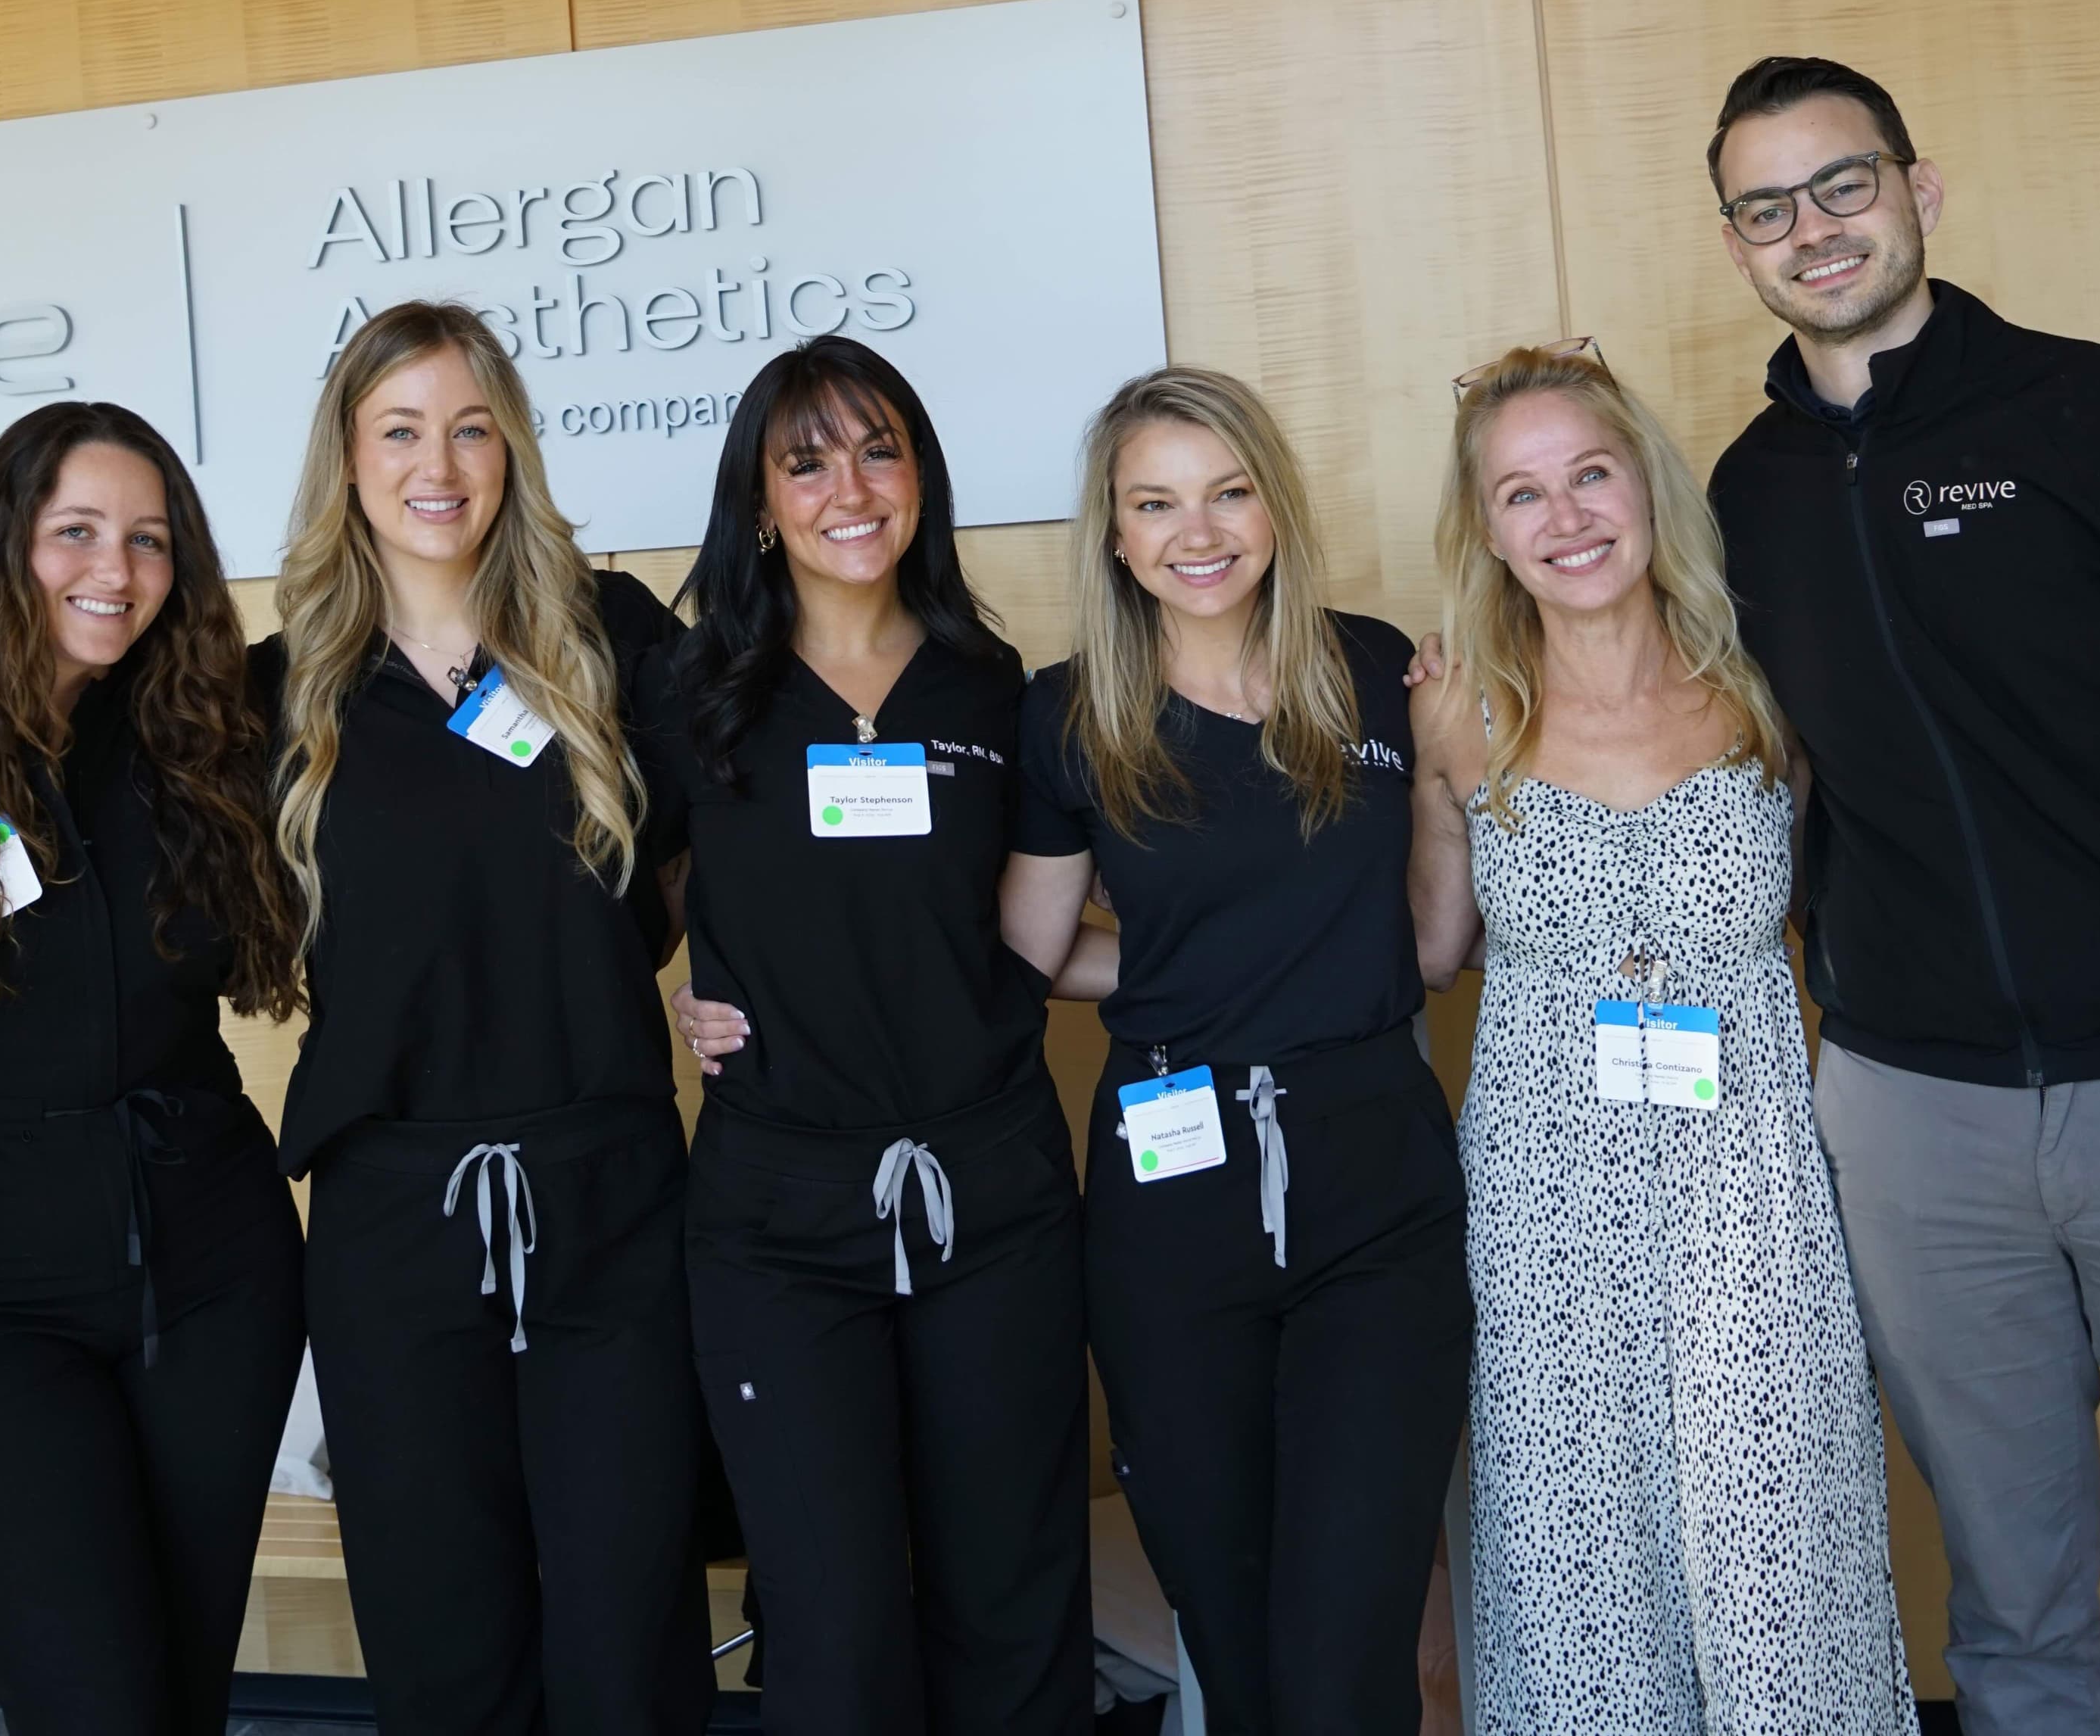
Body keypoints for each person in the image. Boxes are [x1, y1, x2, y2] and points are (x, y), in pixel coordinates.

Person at [1703, 55, 2100, 1732]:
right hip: (1911, 1113)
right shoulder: (1747, 494)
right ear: (1733, 242)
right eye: (1767, 207)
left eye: (1843, 184)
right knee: (2013, 1616)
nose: (1813, 229)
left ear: (1918, 188)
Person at [1409, 344, 1917, 1734]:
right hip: (1541, 1198)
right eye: (1522, 495)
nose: (1566, 519)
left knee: (1778, 1547)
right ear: (1486, 532)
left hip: (1747, 1187)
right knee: (1574, 1559)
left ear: (1646, 484)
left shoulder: (1766, 682)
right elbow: (1428, 948)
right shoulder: (1458, 708)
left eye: (1589, 474)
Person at [258, 301, 714, 1736]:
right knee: (439, 1622)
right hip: (395, 1217)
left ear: (511, 448)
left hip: (610, 1196)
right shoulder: (279, 696)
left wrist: (726, 977)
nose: (437, 463)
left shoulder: (613, 640)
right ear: (347, 457)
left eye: (470, 427)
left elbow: (726, 843)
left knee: (629, 1615)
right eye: (400, 429)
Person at [0, 403, 306, 1736]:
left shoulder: (206, 746)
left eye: (150, 540)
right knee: (93, 1702)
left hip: (215, 1275)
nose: (118, 568)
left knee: (184, 1693)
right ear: (2, 544)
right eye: (76, 532)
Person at [640, 334, 1089, 1735]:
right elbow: (624, 901)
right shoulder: (695, 687)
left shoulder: (987, 684)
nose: (849, 484)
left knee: (1011, 1590)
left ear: (922, 479)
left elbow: (1029, 933)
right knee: (830, 1619)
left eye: (878, 448)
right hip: (780, 1216)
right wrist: (665, 988)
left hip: (994, 1188)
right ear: (758, 500)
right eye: (806, 459)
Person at [1014, 366, 1469, 1732]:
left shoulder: (1373, 670)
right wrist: (1182, 982)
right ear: (1112, 530)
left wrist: (1445, 775)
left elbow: (1435, 948)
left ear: (1273, 504)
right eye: (1154, 503)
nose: (1194, 533)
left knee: (1351, 1644)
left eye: (1225, 493)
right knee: (1233, 1623)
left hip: (1373, 1175)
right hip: (1172, 1199)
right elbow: (1038, 955)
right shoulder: (1070, 711)